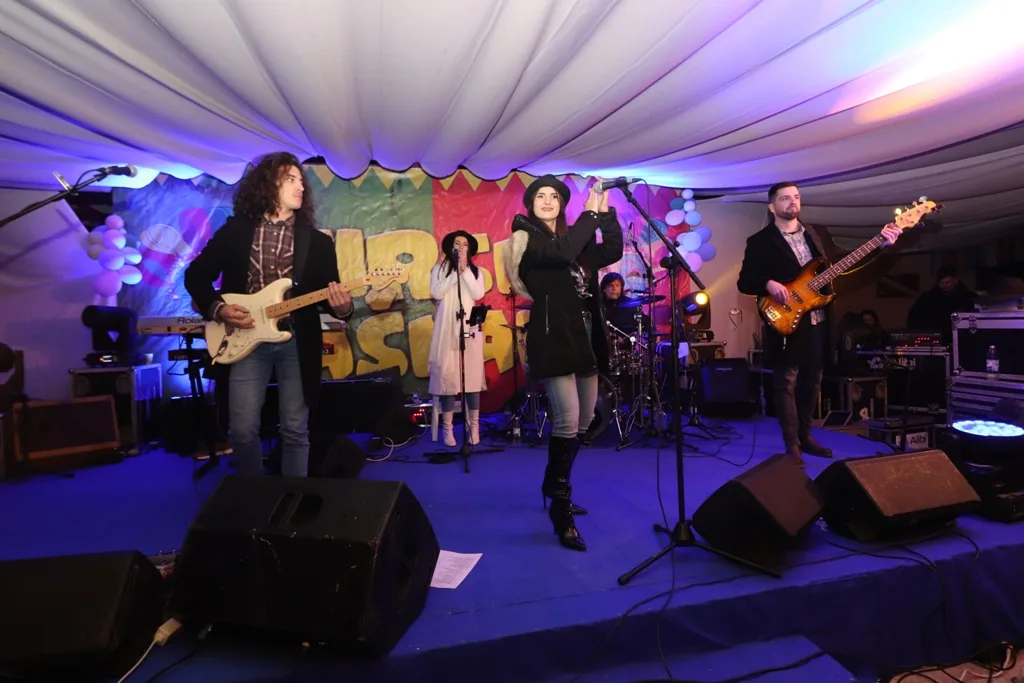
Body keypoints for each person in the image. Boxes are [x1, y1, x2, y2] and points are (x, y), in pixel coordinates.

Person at [185, 152, 353, 478]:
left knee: (295, 429)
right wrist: (219, 308)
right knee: (242, 430)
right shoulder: (236, 231)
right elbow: (195, 276)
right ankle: (253, 497)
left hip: (296, 342)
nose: (301, 187)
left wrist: (342, 306)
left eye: (301, 181)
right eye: (291, 179)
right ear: (268, 184)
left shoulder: (318, 243)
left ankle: (292, 498)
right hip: (244, 337)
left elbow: (328, 297)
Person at [737, 181, 901, 465]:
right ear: (772, 207)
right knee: (786, 382)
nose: (793, 202)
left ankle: (806, 434)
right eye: (785, 198)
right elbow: (745, 282)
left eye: (796, 197)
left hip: (818, 318)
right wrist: (768, 283)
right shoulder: (760, 241)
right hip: (786, 319)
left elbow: (845, 264)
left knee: (813, 381)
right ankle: (791, 443)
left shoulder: (816, 234)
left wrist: (881, 245)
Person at [504, 175, 623, 551]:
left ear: (561, 204)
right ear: (530, 204)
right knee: (566, 421)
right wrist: (590, 212)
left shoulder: (576, 239)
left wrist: (605, 214)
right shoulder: (528, 238)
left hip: (584, 336)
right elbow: (561, 252)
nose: (547, 201)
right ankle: (560, 511)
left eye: (554, 196)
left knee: (584, 422)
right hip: (553, 338)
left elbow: (612, 250)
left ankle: (554, 484)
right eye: (540, 195)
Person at [428, 230, 487, 447]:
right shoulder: (440, 269)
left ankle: (474, 428)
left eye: (464, 244)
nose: (461, 247)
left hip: (469, 330)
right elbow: (436, 292)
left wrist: (464, 270)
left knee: (472, 380)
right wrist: (455, 273)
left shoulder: (476, 271)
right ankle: (448, 429)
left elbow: (478, 294)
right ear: (450, 247)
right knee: (448, 380)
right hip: (447, 331)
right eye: (457, 243)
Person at [907, 266, 977, 341]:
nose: (944, 286)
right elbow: (914, 317)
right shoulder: (927, 298)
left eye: (947, 282)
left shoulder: (969, 297)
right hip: (934, 339)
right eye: (941, 283)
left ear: (956, 280)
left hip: (962, 339)